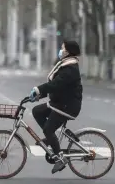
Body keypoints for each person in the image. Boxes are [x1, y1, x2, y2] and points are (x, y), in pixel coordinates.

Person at [29, 40, 83, 174]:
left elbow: (56, 85)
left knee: (48, 129)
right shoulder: (65, 65)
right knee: (37, 111)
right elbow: (56, 88)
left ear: (68, 52)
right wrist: (38, 96)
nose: (60, 50)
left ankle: (60, 158)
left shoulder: (71, 69)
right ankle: (50, 139)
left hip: (68, 107)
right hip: (59, 103)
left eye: (62, 48)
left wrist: (38, 89)